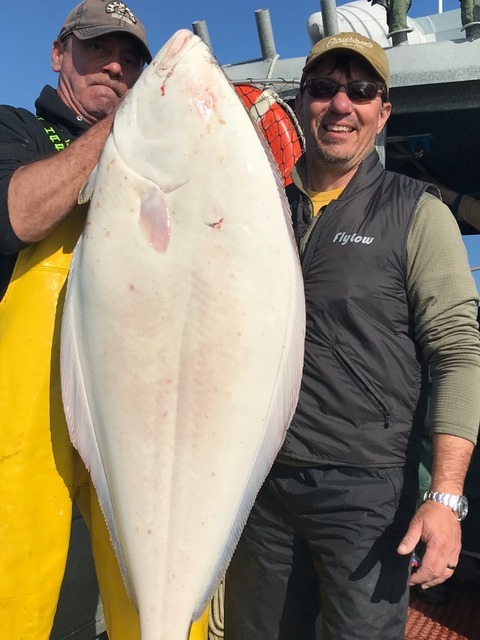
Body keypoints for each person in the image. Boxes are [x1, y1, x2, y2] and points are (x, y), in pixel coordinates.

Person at [224, 32, 480, 640]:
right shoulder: (257, 209)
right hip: (260, 487)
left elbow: (458, 353)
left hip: (365, 495)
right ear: (302, 103)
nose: (341, 105)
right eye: (323, 89)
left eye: (361, 90)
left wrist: (445, 499)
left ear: (382, 111)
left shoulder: (417, 213)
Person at [0, 2, 156, 639]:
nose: (115, 67)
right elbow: (19, 216)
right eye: (97, 49)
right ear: (59, 53)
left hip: (133, 407)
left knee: (151, 598)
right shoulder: (17, 131)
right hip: (29, 418)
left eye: (130, 61)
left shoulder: (158, 167)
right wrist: (117, 131)